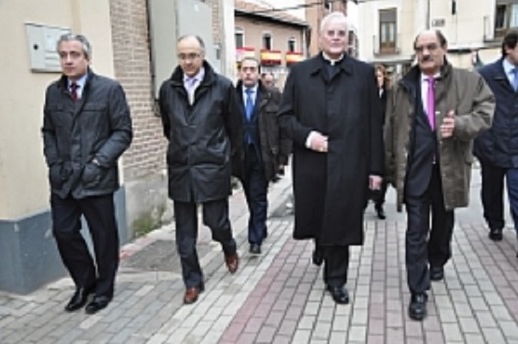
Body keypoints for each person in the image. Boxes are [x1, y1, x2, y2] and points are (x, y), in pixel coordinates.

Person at [385, 30, 494, 321]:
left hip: (450, 170)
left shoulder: (469, 81)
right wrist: (388, 170)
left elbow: (486, 112)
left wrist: (460, 125)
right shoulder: (402, 87)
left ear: (444, 48)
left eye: (431, 47)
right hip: (416, 172)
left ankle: (438, 258)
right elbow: (391, 129)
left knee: (443, 225)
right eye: (420, 48)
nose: (425, 54)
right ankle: (418, 291)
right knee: (415, 231)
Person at [278, 12, 384, 304]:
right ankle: (320, 244)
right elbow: (284, 117)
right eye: (331, 33)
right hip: (311, 164)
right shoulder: (300, 73)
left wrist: (376, 169)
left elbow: (375, 123)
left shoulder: (363, 73)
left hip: (349, 163)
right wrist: (307, 136)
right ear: (320, 37)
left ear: (348, 38)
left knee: (341, 220)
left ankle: (336, 279)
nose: (337, 37)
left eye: (342, 33)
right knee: (316, 214)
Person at [42, 34, 133, 314]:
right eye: (63, 55)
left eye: (74, 54)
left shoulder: (109, 90)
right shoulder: (53, 92)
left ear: (87, 58)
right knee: (63, 232)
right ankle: (85, 282)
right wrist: (54, 164)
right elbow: (48, 132)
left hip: (96, 179)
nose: (68, 60)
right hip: (64, 180)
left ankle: (104, 289)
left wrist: (97, 164)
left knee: (104, 238)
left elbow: (122, 132)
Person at [158, 35, 243, 305]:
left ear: (203, 55)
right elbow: (169, 129)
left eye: (193, 55)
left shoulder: (223, 87)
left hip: (213, 166)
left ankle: (228, 246)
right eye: (182, 56)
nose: (188, 61)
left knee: (216, 221)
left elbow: (235, 129)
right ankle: (192, 281)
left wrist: (222, 156)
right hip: (182, 168)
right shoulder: (168, 89)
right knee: (185, 234)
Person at [233, 57, 291, 255]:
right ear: (240, 72)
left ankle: (255, 239)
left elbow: (284, 127)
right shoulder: (232, 96)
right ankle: (261, 225)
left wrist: (283, 157)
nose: (248, 73)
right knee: (250, 196)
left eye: (252, 69)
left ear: (258, 73)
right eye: (244, 69)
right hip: (240, 156)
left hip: (264, 154)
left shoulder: (272, 96)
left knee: (258, 195)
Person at [474, 30, 518, 248]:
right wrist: (483, 140)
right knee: (491, 190)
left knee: (517, 193)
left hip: (516, 147)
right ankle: (495, 223)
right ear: (509, 48)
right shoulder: (486, 74)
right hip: (491, 145)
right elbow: (475, 107)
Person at [368, 64, 391, 220]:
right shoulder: (365, 95)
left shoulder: (389, 96)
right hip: (368, 139)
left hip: (385, 139)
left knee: (385, 174)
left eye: (380, 76)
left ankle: (379, 203)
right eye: (375, 77)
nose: (378, 80)